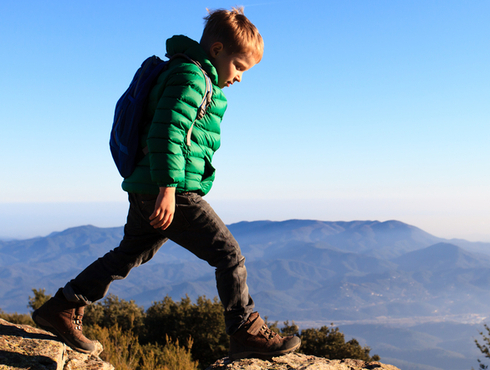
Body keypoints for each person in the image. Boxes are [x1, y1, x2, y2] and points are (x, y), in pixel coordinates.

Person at [32, 7, 300, 360]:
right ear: (217, 50)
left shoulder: (190, 74)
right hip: (171, 191)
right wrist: (169, 190)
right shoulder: (191, 77)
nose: (238, 78)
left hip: (149, 188)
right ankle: (245, 330)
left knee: (127, 254)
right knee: (229, 255)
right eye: (238, 67)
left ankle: (62, 306)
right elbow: (167, 132)